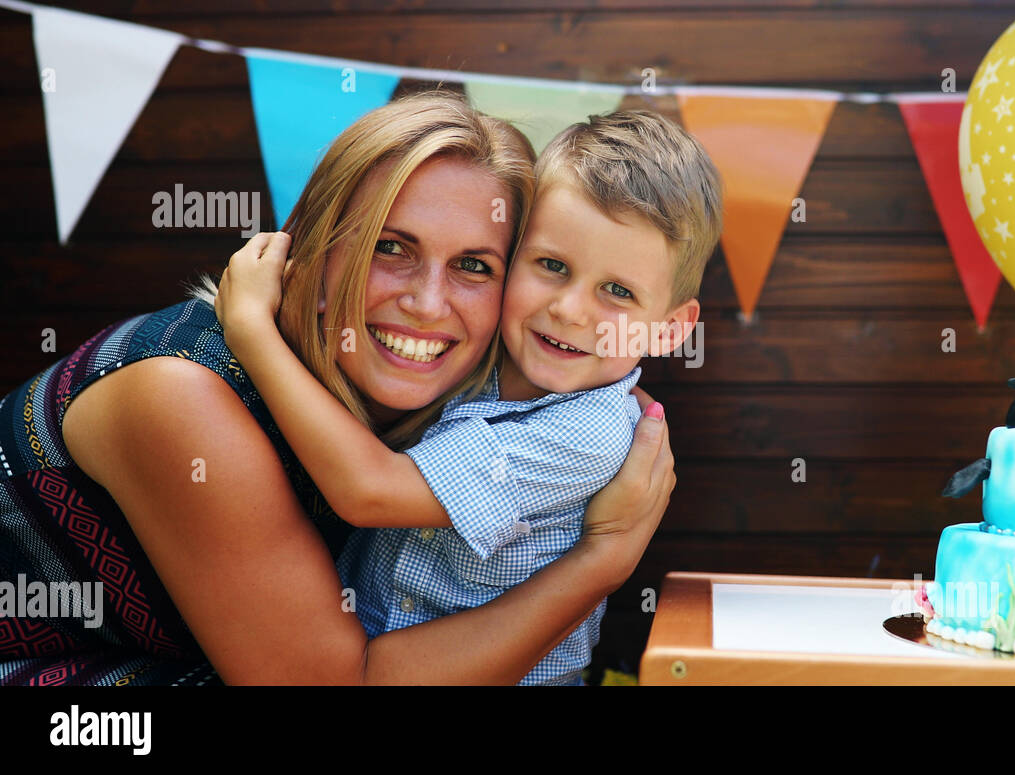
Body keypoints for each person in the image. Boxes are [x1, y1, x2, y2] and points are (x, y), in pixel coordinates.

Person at [0, 91, 675, 686]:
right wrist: (600, 561)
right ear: (316, 250)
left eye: (473, 265)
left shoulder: (474, 402)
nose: (427, 302)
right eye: (391, 247)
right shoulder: (184, 398)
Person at [215, 111, 722, 684]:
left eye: (617, 291)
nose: (569, 310)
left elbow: (369, 493)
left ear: (670, 330)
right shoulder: (482, 356)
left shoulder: (591, 434)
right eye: (552, 265)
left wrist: (252, 334)